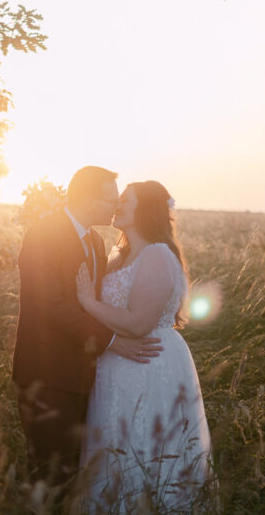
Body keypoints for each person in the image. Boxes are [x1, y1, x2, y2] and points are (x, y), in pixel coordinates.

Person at [12, 166, 164, 487]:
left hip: (83, 375)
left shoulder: (95, 241)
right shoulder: (43, 234)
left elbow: (92, 304)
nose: (115, 206)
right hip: (46, 373)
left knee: (72, 468)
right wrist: (112, 342)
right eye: (110, 199)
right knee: (47, 468)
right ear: (89, 198)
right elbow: (52, 306)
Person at [75, 180, 213, 515]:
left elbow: (137, 324)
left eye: (126, 201)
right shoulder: (117, 254)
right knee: (112, 442)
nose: (117, 206)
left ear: (146, 209)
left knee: (147, 445)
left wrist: (88, 303)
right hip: (114, 363)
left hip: (149, 362)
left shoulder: (157, 255)